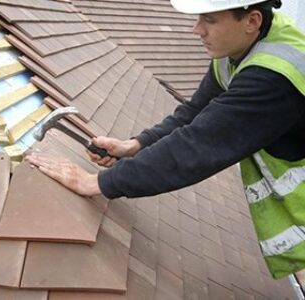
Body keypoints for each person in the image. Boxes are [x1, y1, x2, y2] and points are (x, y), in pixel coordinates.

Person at [26, 0, 305, 279]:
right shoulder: (243, 47)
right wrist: (137, 145)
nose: (197, 30)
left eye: (209, 20)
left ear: (252, 21)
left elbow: (197, 145)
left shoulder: (274, 76)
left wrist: (97, 182)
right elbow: (195, 112)